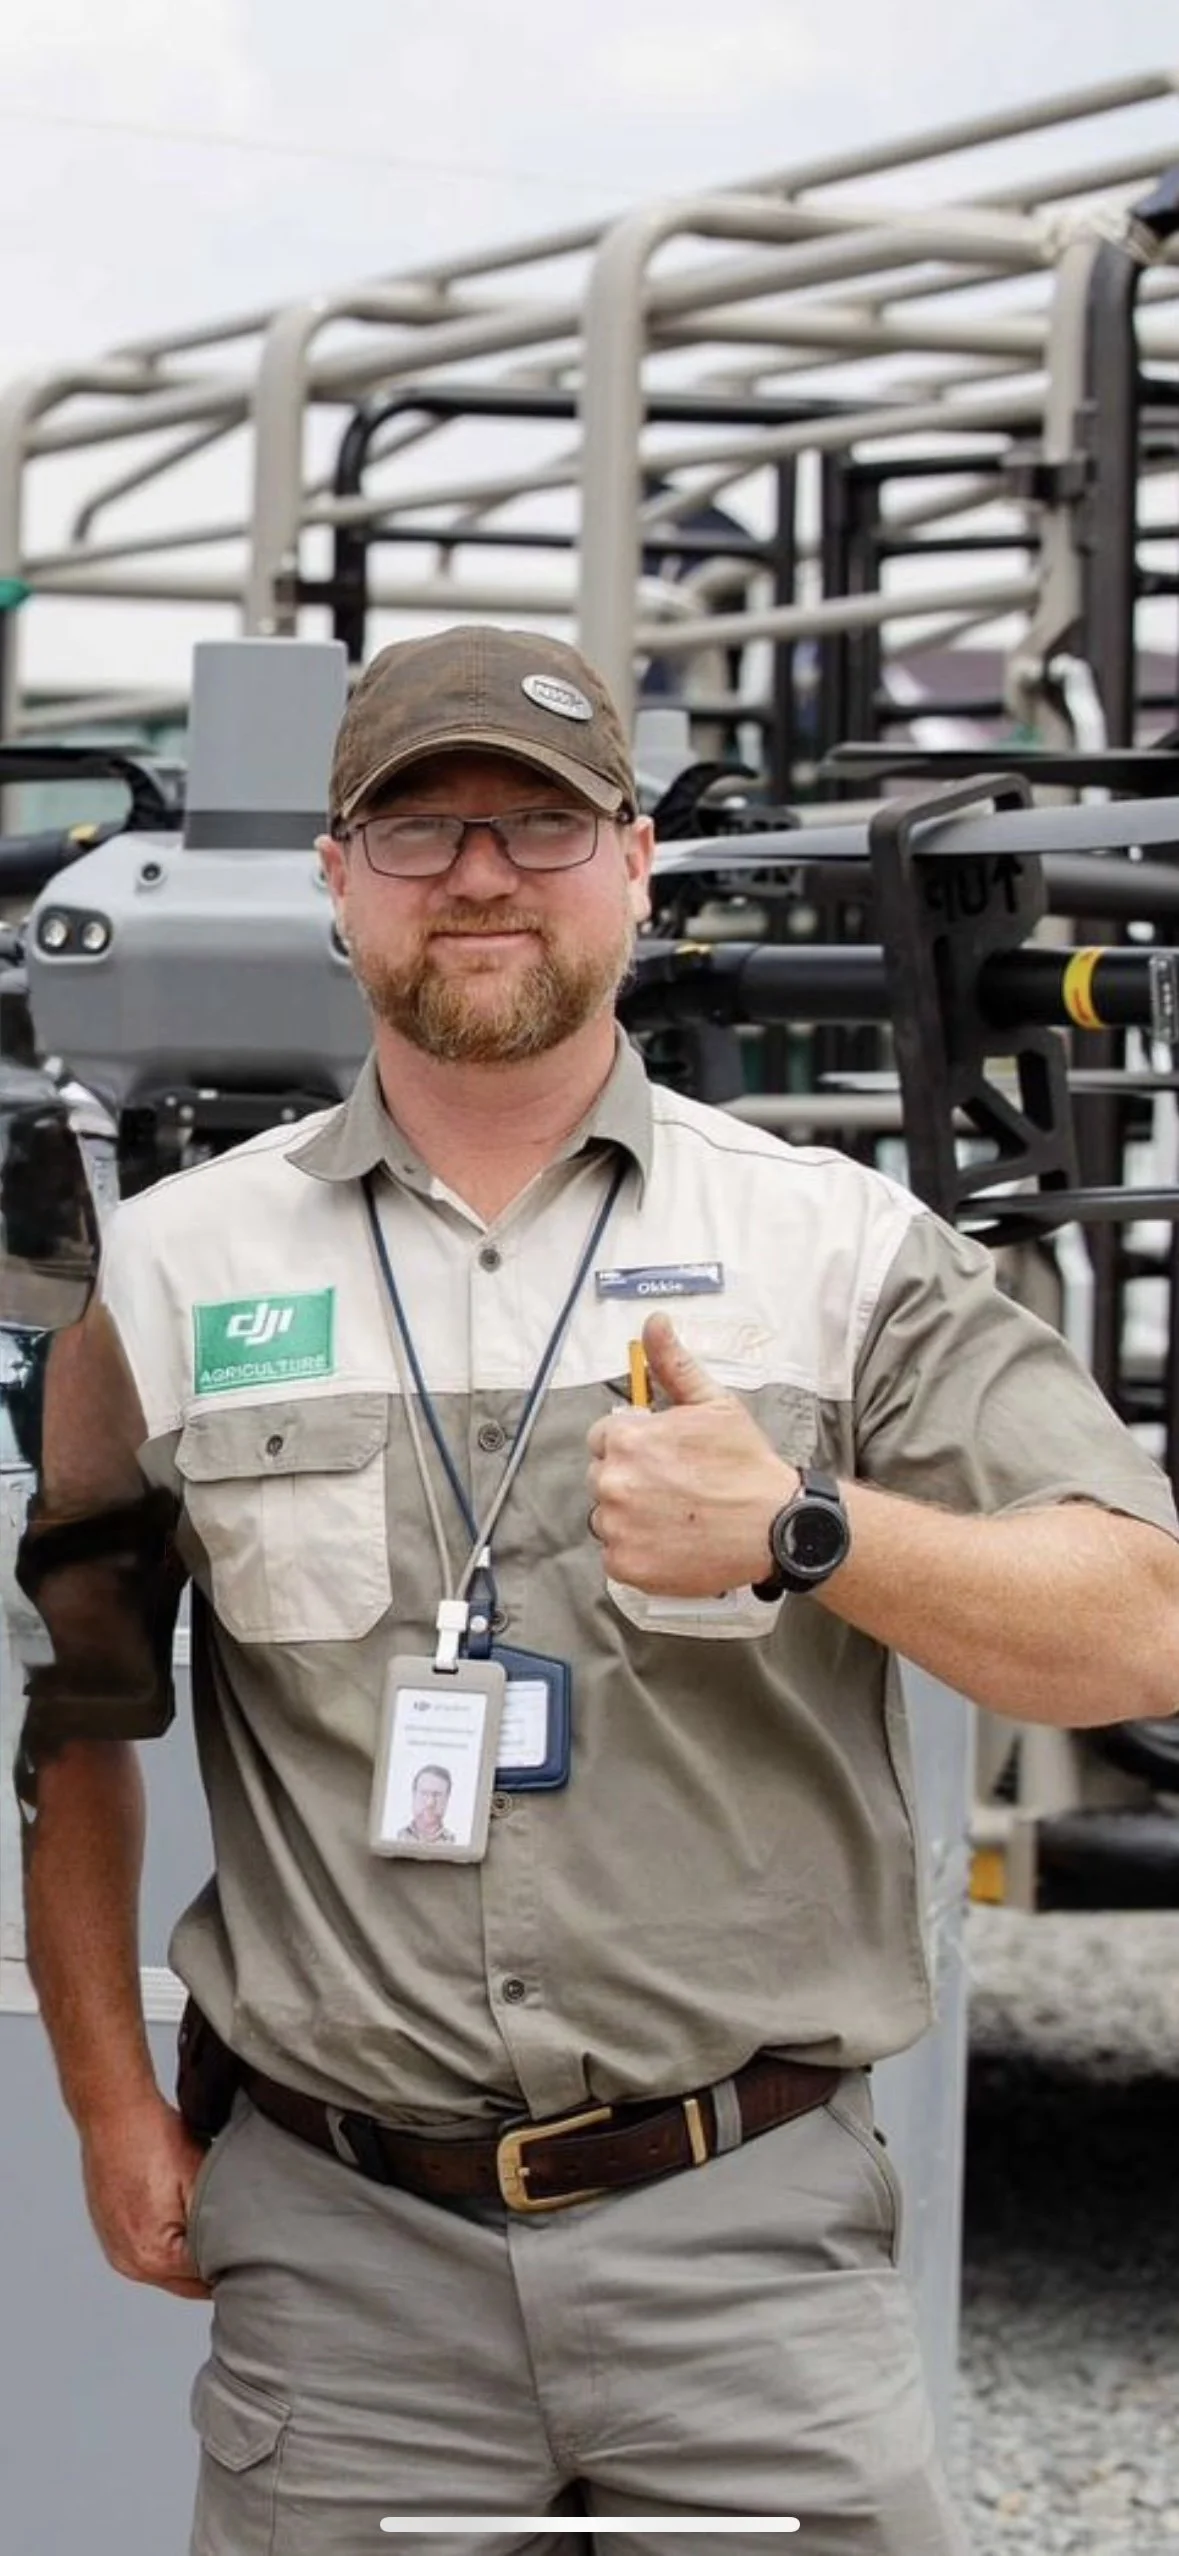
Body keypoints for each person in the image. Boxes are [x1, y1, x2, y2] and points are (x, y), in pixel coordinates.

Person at [17, 622, 1179, 2556]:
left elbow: (1135, 1619)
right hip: (343, 2262)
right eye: (416, 828)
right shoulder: (163, 1281)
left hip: (746, 2258)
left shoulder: (832, 1246)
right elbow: (77, 1737)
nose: (478, 872)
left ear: (634, 864)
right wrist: (108, 2110)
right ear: (332, 880)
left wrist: (810, 1529)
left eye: (537, 825)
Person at [397, 1763, 456, 1844]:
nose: (430, 1803)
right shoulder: (397, 1836)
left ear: (447, 1798)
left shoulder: (455, 1842)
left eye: (437, 1795)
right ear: (414, 1795)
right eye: (424, 1794)